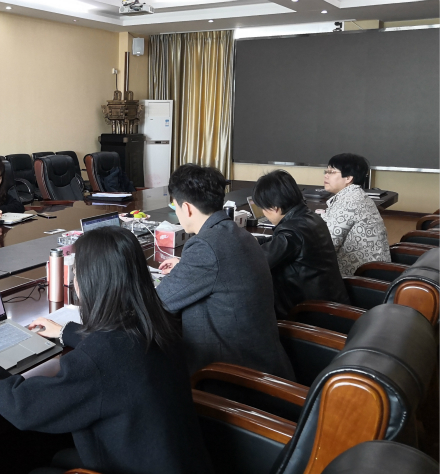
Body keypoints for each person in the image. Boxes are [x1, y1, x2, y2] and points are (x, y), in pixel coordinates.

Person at [0, 227, 217, 474]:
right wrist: (65, 331)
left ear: (90, 281)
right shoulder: (157, 324)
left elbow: (24, 407)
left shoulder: (99, 359)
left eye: (77, 271)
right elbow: (117, 347)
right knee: (60, 457)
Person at [156, 164, 294, 379]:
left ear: (187, 208)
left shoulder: (205, 246)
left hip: (230, 378)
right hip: (262, 363)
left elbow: (159, 302)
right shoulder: (239, 234)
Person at [253, 169, 350, 317]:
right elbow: (282, 243)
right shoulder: (309, 217)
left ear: (274, 208)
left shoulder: (291, 232)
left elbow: (256, 263)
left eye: (263, 209)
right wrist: (257, 240)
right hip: (331, 304)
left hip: (312, 314)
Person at [321, 153, 390, 275]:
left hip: (362, 277)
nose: (326, 175)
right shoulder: (354, 195)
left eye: (331, 172)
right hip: (374, 270)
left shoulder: (349, 202)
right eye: (326, 171)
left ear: (348, 178)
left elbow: (328, 245)